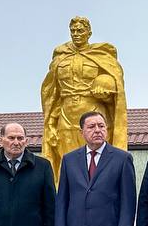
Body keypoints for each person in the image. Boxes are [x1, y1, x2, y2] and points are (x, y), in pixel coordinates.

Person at [40, 16, 130, 185]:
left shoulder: (101, 55)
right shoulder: (61, 57)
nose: (76, 34)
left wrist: (105, 85)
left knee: (98, 162)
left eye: (80, 30)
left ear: (89, 32)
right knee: (67, 164)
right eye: (73, 31)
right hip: (66, 116)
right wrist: (51, 123)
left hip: (95, 112)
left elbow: (116, 85)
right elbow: (53, 95)